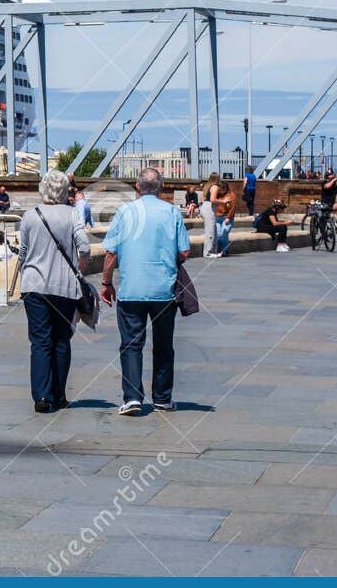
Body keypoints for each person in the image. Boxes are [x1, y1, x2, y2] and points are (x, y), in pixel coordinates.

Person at [101, 167, 190, 416]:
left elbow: (110, 253)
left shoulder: (125, 211)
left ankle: (132, 398)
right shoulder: (172, 212)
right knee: (163, 345)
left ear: (137, 187)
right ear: (161, 188)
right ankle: (162, 398)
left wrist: (106, 283)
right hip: (163, 290)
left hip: (131, 289)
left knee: (131, 344)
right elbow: (184, 252)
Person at [17, 169, 91, 414]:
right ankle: (59, 395)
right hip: (64, 286)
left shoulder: (29, 216)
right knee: (61, 340)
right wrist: (80, 270)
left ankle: (42, 397)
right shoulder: (72, 215)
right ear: (64, 191)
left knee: (40, 342)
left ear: (42, 188)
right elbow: (85, 247)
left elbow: (23, 253)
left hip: (34, 286)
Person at [211, 178, 236, 257]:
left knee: (224, 234)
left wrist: (229, 217)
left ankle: (224, 251)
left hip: (226, 217)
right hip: (218, 217)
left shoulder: (231, 195)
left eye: (220, 189)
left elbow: (233, 207)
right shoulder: (218, 195)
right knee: (218, 234)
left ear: (224, 188)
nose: (219, 191)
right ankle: (219, 250)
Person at [199, 174, 219, 259]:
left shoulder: (207, 186)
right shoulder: (215, 187)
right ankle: (208, 253)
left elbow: (202, 198)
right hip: (209, 208)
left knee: (211, 230)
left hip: (205, 207)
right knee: (210, 231)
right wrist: (223, 201)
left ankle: (212, 251)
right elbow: (213, 199)